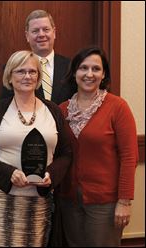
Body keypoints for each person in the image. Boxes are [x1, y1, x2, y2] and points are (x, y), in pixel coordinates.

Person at [0, 50, 72, 247]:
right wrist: (9, 173)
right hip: (3, 202)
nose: (27, 76)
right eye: (20, 71)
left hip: (41, 204)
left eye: (32, 72)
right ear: (9, 76)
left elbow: (66, 153)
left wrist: (51, 174)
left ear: (38, 77)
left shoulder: (53, 111)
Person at [59, 46, 138, 247]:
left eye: (96, 69)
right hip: (69, 200)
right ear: (74, 72)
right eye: (83, 68)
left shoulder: (117, 107)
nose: (89, 74)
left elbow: (129, 157)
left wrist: (124, 201)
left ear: (103, 75)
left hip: (106, 202)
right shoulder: (62, 110)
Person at [0, 9, 72, 104]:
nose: (41, 34)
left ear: (54, 32)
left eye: (46, 29)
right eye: (35, 31)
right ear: (27, 36)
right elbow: (6, 105)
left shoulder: (71, 66)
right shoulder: (13, 68)